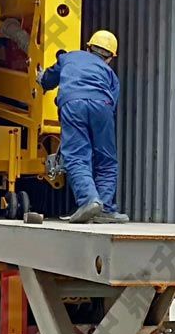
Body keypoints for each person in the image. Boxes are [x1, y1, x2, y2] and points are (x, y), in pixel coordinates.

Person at [39, 30, 128, 224]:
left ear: (88, 48)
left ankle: (89, 200)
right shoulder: (110, 75)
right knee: (106, 160)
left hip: (72, 104)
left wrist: (42, 79)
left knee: (77, 156)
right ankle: (105, 208)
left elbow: (49, 78)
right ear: (110, 58)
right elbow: (112, 103)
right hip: (102, 106)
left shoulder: (69, 57)